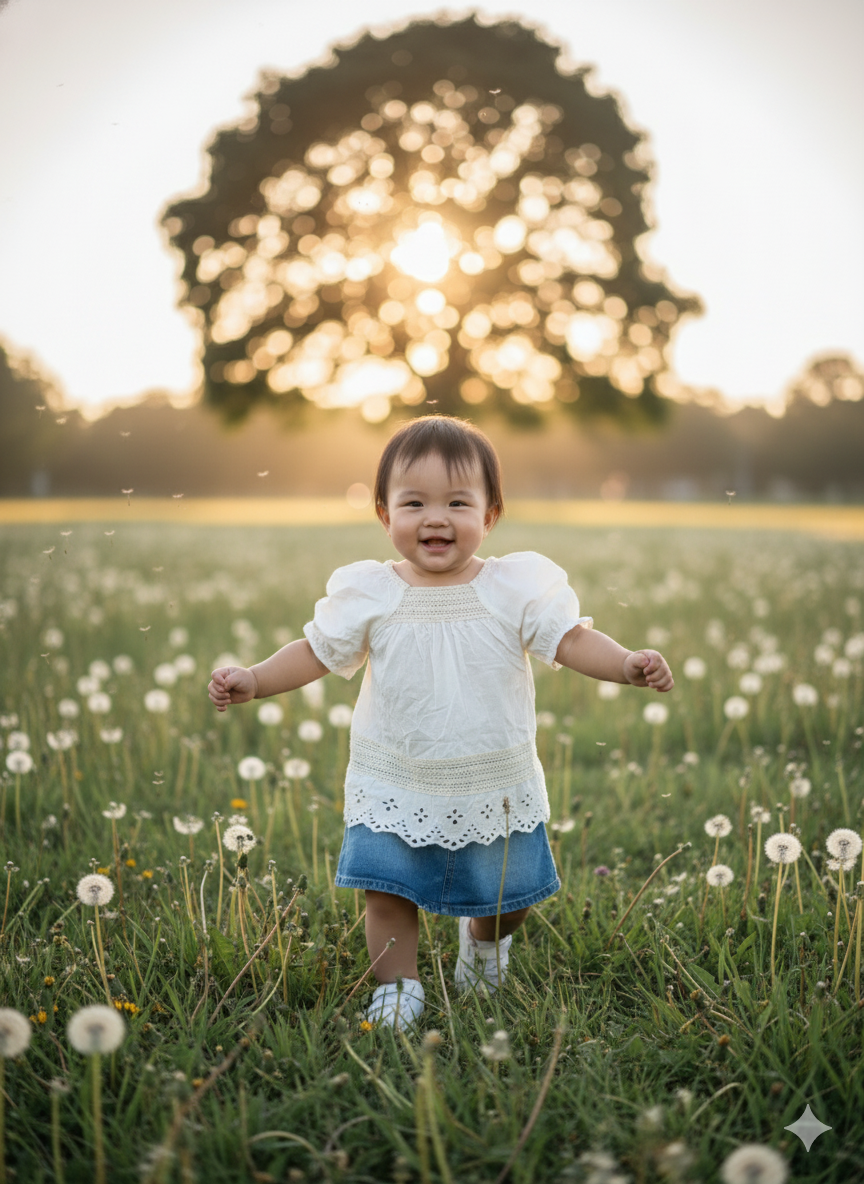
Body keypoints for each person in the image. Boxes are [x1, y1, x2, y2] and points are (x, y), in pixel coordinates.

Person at [208, 415, 673, 1030]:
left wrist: (626, 664)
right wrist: (256, 678)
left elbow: (570, 640)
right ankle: (398, 986)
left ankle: (483, 942)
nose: (436, 518)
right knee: (387, 892)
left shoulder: (514, 587)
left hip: (491, 780)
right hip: (395, 778)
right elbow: (316, 651)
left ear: (490, 514)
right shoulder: (371, 592)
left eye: (457, 502)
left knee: (508, 899)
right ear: (384, 514)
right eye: (414, 503)